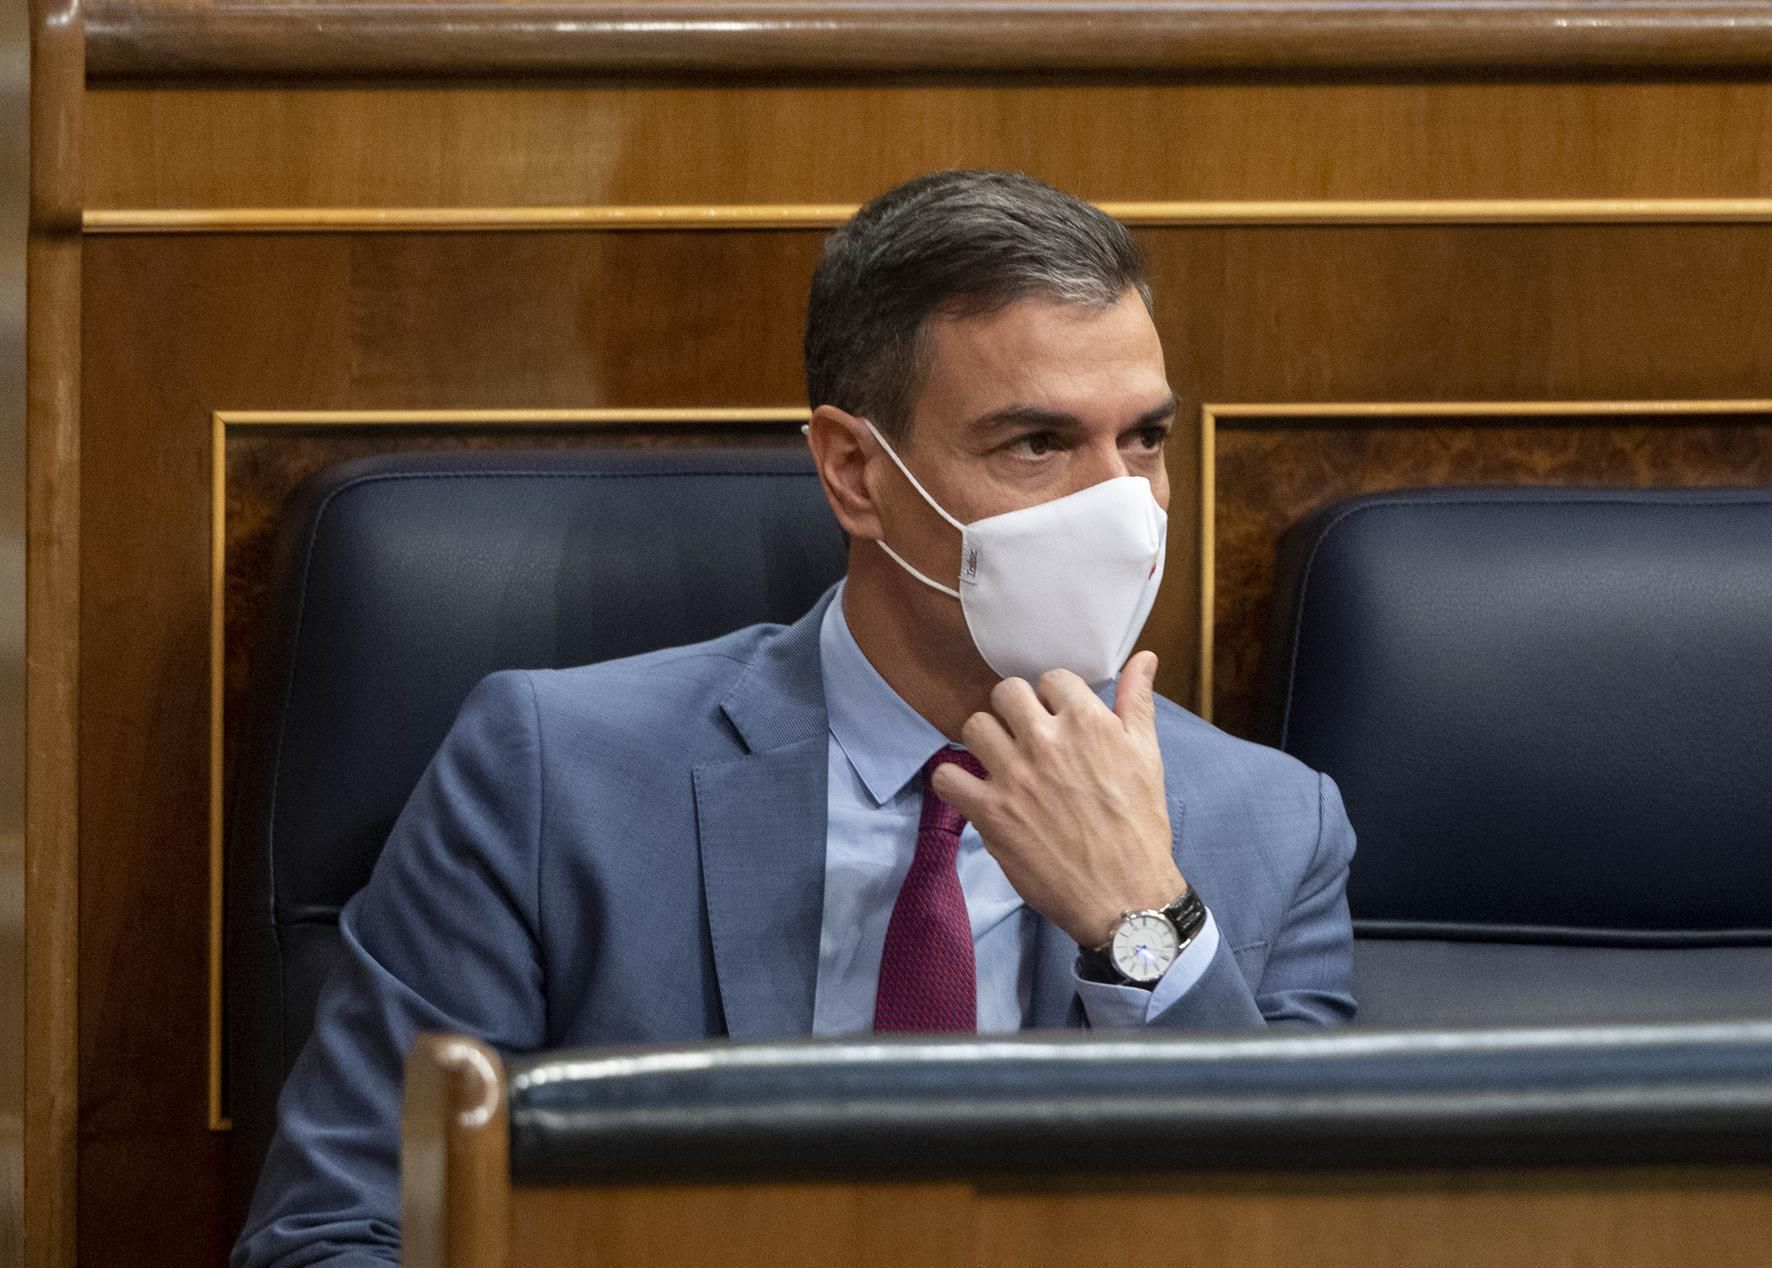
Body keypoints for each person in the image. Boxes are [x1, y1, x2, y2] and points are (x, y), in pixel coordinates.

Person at [233, 169, 1356, 1267]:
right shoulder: (549, 776)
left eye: (1145, 439)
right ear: (857, 472)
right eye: (1038, 443)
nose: (1121, 506)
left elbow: (1314, 1240)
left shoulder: (1271, 826)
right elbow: (336, 1231)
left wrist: (1141, 925)